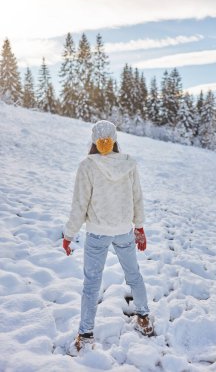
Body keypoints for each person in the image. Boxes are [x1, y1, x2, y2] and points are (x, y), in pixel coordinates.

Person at [62, 120, 153, 352]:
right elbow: (137, 198)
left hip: (97, 234)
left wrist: (69, 234)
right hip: (123, 230)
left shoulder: (87, 166)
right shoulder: (128, 164)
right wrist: (139, 227)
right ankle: (143, 317)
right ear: (114, 140)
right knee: (134, 275)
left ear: (94, 140)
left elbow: (79, 204)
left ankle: (85, 334)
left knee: (91, 284)